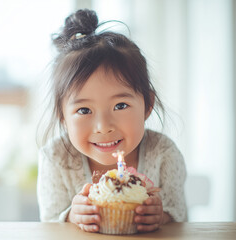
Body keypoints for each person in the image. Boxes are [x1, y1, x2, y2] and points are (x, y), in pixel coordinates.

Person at [37, 9, 187, 233]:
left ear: (147, 105)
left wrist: (162, 216)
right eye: (84, 109)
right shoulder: (56, 158)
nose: (103, 126)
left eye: (120, 106)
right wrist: (70, 216)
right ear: (62, 116)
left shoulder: (163, 153)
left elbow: (181, 217)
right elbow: (48, 223)